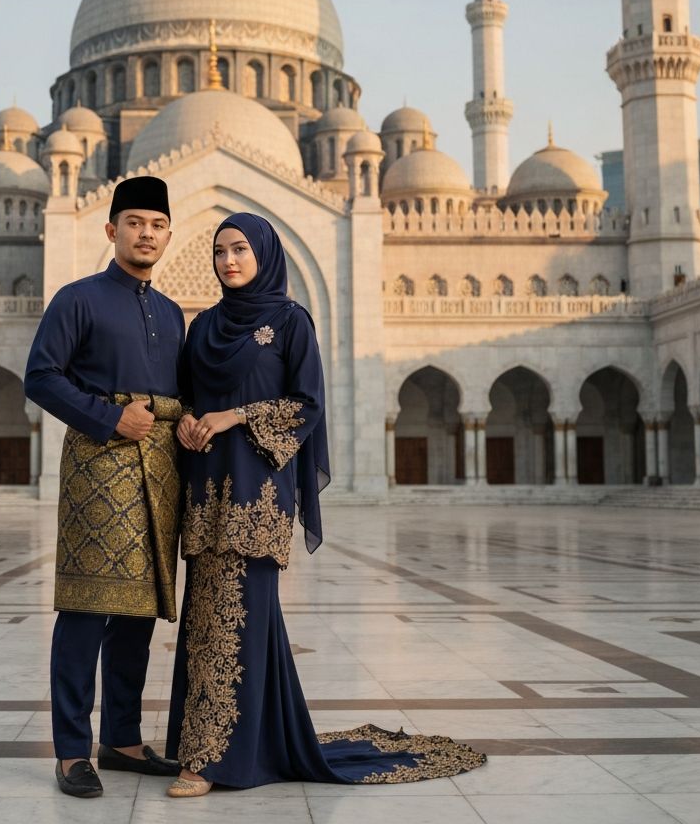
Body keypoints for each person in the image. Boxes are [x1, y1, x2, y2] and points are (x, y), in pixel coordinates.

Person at [164, 212, 486, 796]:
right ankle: (253, 741)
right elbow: (188, 394)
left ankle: (211, 760)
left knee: (236, 616)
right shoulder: (204, 326)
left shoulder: (291, 322)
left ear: (264, 252)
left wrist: (235, 415)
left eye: (239, 249)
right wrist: (188, 421)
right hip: (206, 488)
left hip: (258, 491)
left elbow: (307, 404)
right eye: (219, 252)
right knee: (208, 617)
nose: (228, 260)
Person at [24, 176, 185, 798]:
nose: (147, 233)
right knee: (87, 609)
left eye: (157, 224)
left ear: (169, 234)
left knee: (139, 613)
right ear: (111, 229)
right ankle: (71, 750)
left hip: (160, 472)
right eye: (136, 222)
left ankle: (120, 737)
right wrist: (107, 415)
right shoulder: (79, 299)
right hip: (99, 466)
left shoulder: (170, 313)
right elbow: (41, 377)